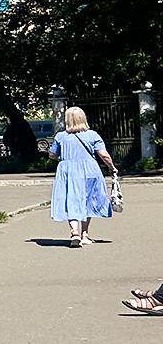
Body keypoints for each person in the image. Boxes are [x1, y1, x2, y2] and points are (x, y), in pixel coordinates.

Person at [49, 106, 116, 247]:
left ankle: (75, 232)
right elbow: (103, 154)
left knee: (71, 199)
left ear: (67, 120)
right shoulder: (92, 135)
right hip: (90, 170)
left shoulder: (60, 136)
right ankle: (85, 234)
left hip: (68, 171)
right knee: (88, 199)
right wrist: (112, 168)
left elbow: (52, 155)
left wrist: (63, 156)